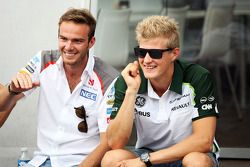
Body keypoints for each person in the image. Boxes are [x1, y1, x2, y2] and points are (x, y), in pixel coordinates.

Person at [0, 8, 119, 167]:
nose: (68, 47)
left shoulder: (109, 79)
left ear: (91, 42)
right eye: (63, 39)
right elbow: (2, 106)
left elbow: (108, 142)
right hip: (40, 161)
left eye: (77, 41)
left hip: (81, 163)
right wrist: (12, 91)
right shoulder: (43, 60)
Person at [101, 15, 220, 167]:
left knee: (197, 162)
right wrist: (131, 90)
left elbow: (204, 140)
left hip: (188, 154)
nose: (147, 60)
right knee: (111, 159)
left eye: (155, 53)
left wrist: (146, 160)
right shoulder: (129, 79)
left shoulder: (198, 77)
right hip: (147, 153)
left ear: (174, 54)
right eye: (142, 52)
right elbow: (115, 142)